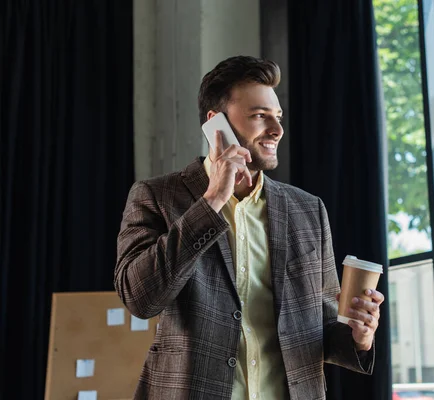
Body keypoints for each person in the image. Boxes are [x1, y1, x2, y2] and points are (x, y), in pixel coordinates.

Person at [115, 55, 384, 400]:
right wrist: (211, 201)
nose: (277, 129)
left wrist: (359, 336)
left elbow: (322, 333)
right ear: (217, 125)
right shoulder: (155, 196)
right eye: (260, 116)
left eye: (278, 117)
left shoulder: (308, 210)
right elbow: (140, 299)